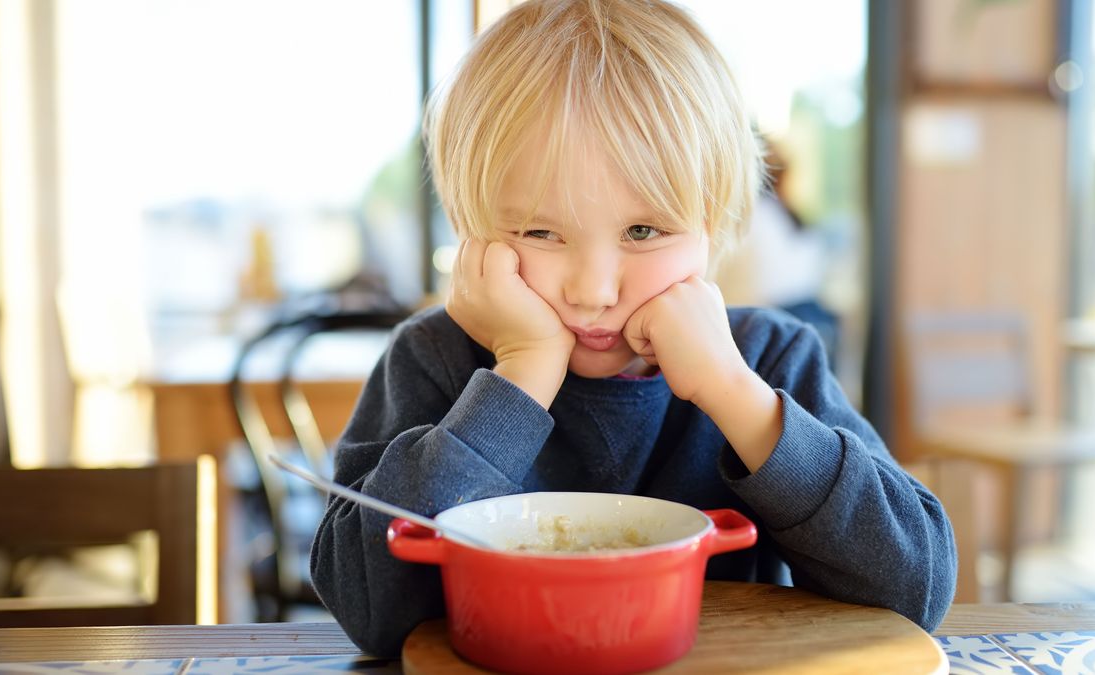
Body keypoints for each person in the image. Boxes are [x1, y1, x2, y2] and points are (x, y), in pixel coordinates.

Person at [311, 0, 956, 657]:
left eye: (643, 231)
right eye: (540, 230)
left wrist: (735, 395)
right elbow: (367, 610)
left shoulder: (767, 360)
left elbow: (917, 590)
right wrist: (523, 371)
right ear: (471, 226)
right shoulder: (435, 360)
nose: (593, 290)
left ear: (714, 223)